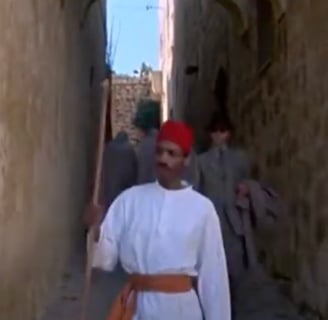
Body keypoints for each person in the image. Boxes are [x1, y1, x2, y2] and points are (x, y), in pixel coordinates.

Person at [89, 120, 231, 320]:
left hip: (180, 311)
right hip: (137, 309)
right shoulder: (130, 200)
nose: (163, 159)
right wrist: (95, 230)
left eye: (172, 153)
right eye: (160, 152)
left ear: (187, 159)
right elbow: (106, 258)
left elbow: (213, 277)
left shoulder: (202, 209)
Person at [197, 115, 251, 288]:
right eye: (215, 131)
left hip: (233, 220)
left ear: (229, 134)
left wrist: (245, 187)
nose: (219, 135)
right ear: (210, 134)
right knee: (212, 269)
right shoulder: (202, 161)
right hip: (212, 218)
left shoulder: (239, 158)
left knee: (234, 268)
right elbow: (197, 189)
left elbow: (247, 180)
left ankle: (232, 308)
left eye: (223, 131)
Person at [100, 130, 137, 210]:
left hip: (110, 178)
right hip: (123, 181)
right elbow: (133, 166)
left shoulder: (109, 146)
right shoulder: (129, 149)